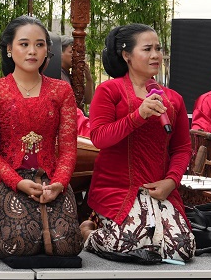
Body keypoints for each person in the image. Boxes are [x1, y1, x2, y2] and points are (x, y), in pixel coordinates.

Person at [81, 23, 195, 263]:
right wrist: (137, 116)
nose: (156, 55)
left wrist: (171, 181)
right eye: (147, 49)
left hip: (159, 187)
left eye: (158, 48)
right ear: (126, 55)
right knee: (128, 243)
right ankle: (88, 232)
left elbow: (182, 148)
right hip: (118, 188)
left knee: (183, 248)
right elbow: (99, 138)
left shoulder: (173, 99)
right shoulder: (109, 90)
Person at [0, 15, 83, 259]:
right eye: (24, 44)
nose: (32, 51)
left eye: (39, 44)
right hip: (4, 179)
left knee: (68, 245)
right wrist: (17, 182)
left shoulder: (62, 90)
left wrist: (59, 183)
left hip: (50, 177)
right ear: (9, 49)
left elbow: (68, 150)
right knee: (21, 242)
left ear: (47, 51)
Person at [60, 35, 95, 105]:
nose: (76, 55)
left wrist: (89, 79)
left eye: (78, 52)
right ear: (61, 53)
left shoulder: (72, 75)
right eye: (71, 52)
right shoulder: (58, 74)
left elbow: (87, 100)